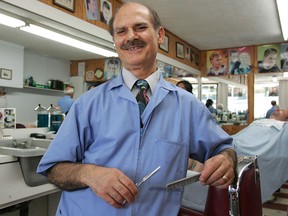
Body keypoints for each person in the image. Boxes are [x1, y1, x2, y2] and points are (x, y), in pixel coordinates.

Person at [37, 3, 236, 215]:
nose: (131, 37)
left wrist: (225, 160)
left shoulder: (187, 107)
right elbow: (53, 168)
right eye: (121, 31)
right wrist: (89, 173)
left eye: (140, 27)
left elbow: (225, 149)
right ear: (115, 42)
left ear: (159, 35)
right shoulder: (88, 103)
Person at [182, 108, 288, 211]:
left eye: (284, 110)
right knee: (197, 151)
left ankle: (187, 185)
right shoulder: (260, 122)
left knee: (209, 162)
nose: (279, 109)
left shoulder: (285, 129)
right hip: (232, 142)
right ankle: (185, 179)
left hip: (245, 151)